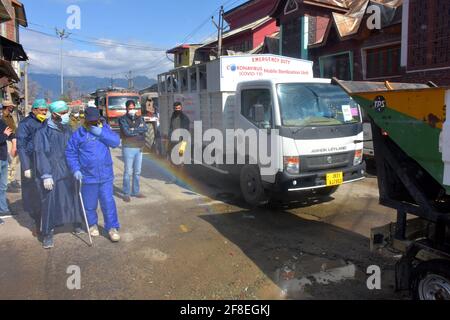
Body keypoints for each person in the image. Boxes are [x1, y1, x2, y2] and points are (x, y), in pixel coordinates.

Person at [66, 107, 121, 242]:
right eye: (90, 121)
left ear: (98, 118)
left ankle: (112, 228)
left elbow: (115, 142)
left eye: (95, 121)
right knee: (89, 204)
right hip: (87, 176)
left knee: (108, 202)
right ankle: (92, 225)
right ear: (85, 119)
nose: (92, 123)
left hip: (106, 175)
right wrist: (75, 169)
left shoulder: (105, 129)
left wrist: (101, 133)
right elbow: (70, 153)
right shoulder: (79, 133)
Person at [34, 101, 84, 249]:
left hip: (68, 169)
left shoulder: (67, 129)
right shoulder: (43, 132)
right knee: (50, 200)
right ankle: (48, 233)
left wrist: (77, 167)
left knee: (72, 197)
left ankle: (76, 222)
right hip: (52, 170)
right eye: (63, 113)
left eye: (66, 112)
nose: (66, 115)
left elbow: (74, 148)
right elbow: (40, 153)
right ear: (54, 114)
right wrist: (45, 174)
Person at [16, 99, 49, 234]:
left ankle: (47, 221)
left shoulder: (45, 122)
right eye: (42, 110)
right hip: (31, 162)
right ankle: (36, 224)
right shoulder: (25, 124)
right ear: (34, 110)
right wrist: (26, 166)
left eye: (46, 110)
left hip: (45, 161)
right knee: (34, 194)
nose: (44, 113)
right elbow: (21, 145)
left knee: (46, 192)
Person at [118, 100, 148, 203]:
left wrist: (133, 130)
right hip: (128, 147)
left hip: (139, 147)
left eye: (133, 108)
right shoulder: (122, 119)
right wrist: (137, 130)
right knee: (128, 171)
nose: (132, 110)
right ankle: (126, 193)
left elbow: (145, 128)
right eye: (130, 108)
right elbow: (126, 132)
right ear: (126, 108)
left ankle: (136, 191)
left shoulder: (140, 118)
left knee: (137, 171)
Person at [0, 117, 16, 219]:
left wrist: (14, 143)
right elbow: (5, 135)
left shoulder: (0, 122)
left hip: (3, 158)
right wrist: (4, 135)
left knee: (3, 186)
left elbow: (11, 133)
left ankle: (3, 209)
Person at [2, 100, 20, 191]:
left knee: (14, 162)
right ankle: (7, 183)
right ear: (6, 106)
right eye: (11, 106)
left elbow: (13, 128)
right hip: (7, 141)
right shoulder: (2, 117)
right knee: (9, 161)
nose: (12, 107)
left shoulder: (10, 116)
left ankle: (12, 181)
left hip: (14, 140)